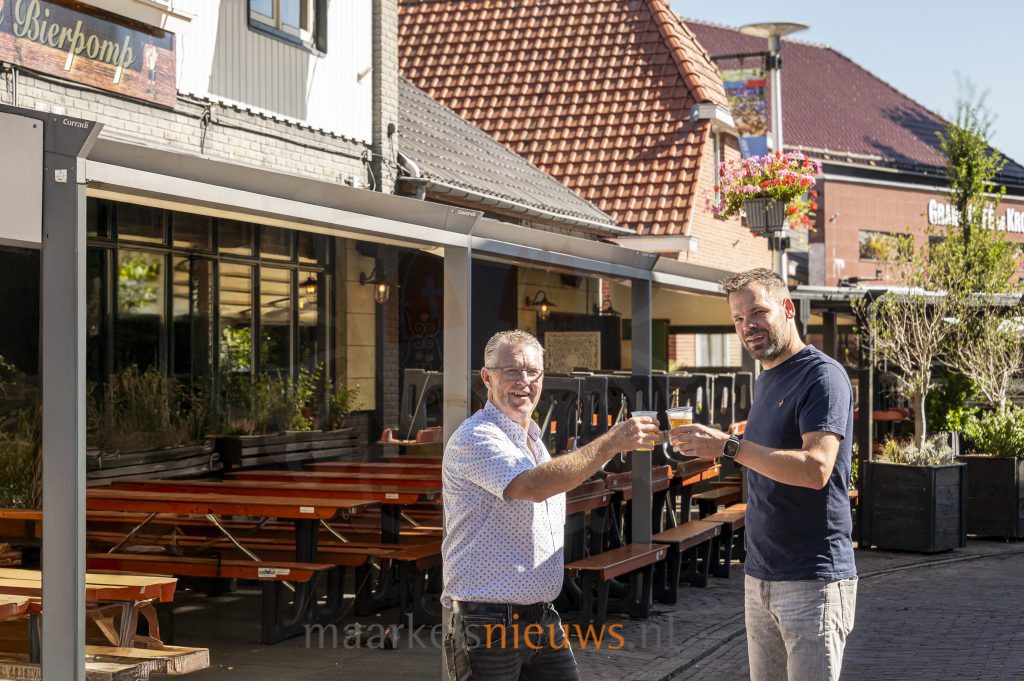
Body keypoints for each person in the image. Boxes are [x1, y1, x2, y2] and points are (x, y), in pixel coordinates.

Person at [670, 268, 857, 681]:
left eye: (757, 312)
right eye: (738, 318)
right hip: (760, 576)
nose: (747, 326)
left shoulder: (822, 377)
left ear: (788, 308)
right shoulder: (768, 379)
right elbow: (764, 463)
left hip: (812, 578)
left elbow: (816, 469)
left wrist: (727, 445)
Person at [441, 329, 659, 681]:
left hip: (540, 618)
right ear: (486, 377)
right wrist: (611, 443)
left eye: (533, 372)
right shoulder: (476, 436)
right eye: (511, 370)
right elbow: (533, 486)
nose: (523, 381)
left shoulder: (532, 441)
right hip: (488, 622)